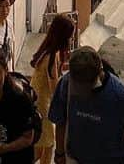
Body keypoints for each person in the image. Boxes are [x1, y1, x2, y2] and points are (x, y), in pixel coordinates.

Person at [49, 45, 124, 164]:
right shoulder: (67, 83)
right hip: (78, 158)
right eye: (77, 85)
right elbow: (59, 120)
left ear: (99, 74)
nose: (80, 91)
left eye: (85, 87)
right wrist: (59, 153)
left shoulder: (120, 94)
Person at [29, 15, 76, 163]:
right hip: (43, 108)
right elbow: (55, 88)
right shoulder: (51, 57)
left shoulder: (47, 51)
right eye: (70, 37)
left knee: (39, 148)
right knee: (48, 146)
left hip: (37, 105)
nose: (71, 40)